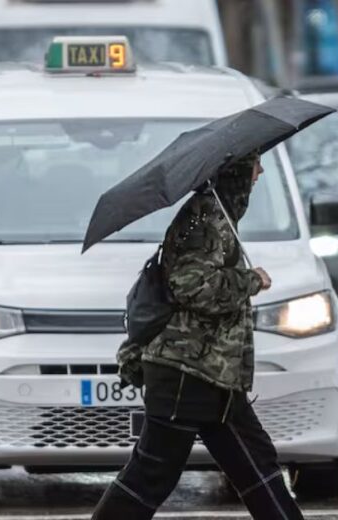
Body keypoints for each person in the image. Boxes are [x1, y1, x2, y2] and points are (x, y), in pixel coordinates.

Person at [92, 153, 304, 520]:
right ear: (236, 170)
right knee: (151, 474)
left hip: (215, 373)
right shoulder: (205, 219)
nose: (261, 171)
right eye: (256, 164)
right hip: (186, 372)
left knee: (257, 464)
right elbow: (191, 287)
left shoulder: (220, 216)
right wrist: (250, 280)